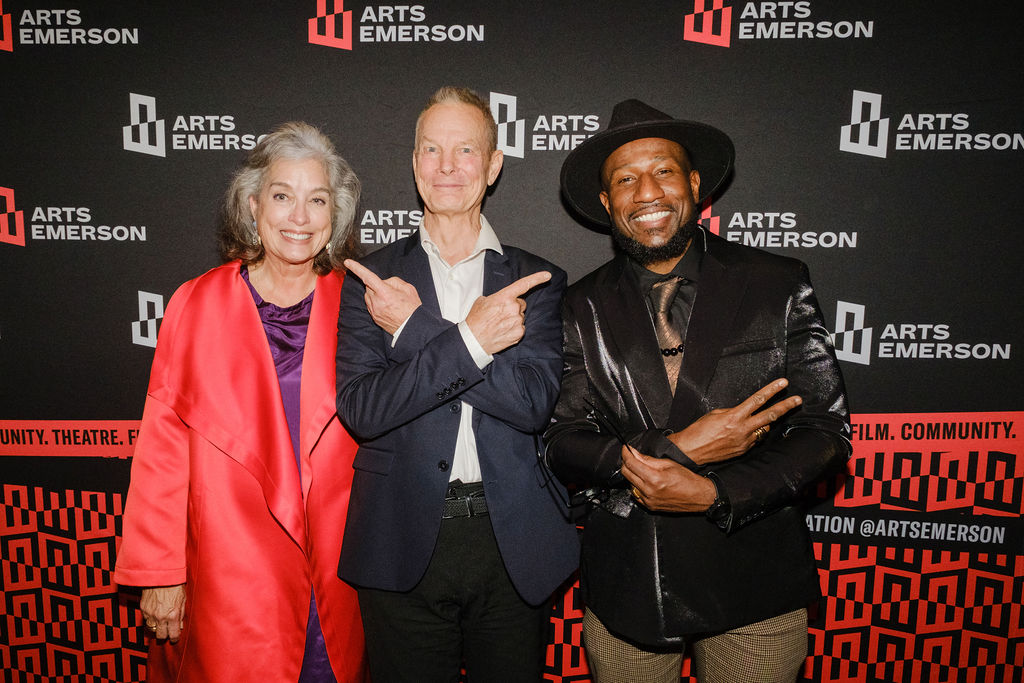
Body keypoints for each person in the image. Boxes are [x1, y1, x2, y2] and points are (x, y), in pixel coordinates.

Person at [544, 99, 852, 683]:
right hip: (630, 584)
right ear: (608, 203)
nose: (647, 192)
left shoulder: (775, 283)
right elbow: (562, 437)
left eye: (662, 170)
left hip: (754, 578)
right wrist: (676, 450)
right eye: (625, 179)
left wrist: (714, 494)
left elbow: (824, 431)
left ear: (694, 183)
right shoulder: (577, 305)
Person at [335, 86, 579, 683]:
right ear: (414, 163)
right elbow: (364, 410)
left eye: (465, 149)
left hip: (511, 541)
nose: (447, 165)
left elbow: (528, 405)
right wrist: (473, 342)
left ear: (492, 166)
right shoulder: (372, 279)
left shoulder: (535, 280)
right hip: (399, 538)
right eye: (431, 149)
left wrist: (416, 331)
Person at [114, 122, 368, 682]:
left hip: (337, 576)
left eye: (317, 200)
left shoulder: (362, 305)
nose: (298, 217)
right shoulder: (196, 303)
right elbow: (161, 446)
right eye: (282, 196)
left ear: (336, 217)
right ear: (253, 206)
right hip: (230, 574)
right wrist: (161, 572)